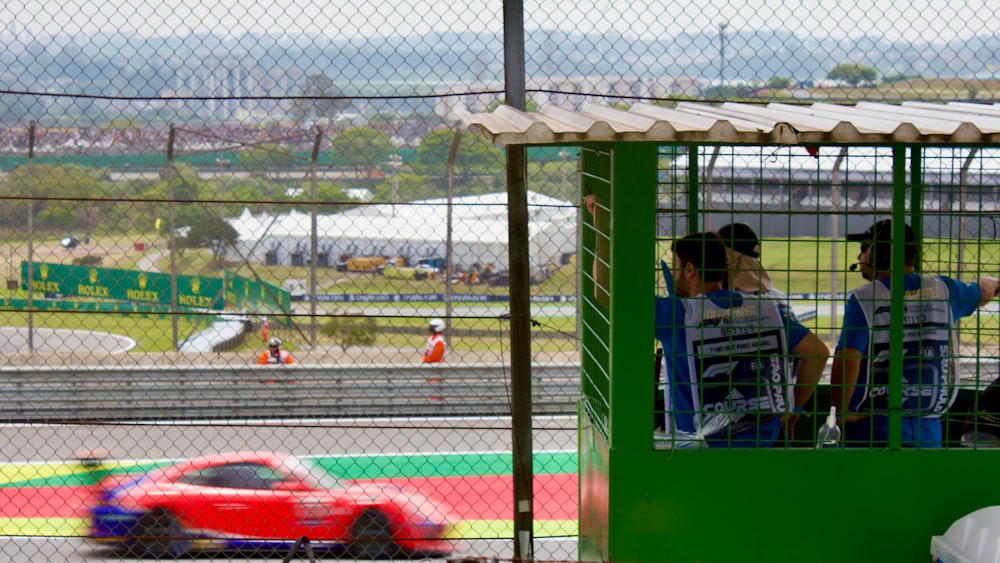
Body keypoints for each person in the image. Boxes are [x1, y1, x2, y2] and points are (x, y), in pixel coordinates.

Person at [830, 218, 1000, 448]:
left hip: (872, 431)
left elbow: (848, 357)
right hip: (927, 432)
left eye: (863, 250)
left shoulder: (865, 297)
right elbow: (986, 289)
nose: (860, 258)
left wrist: (840, 412)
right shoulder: (945, 290)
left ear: (877, 254)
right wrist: (993, 281)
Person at [654, 232, 830, 447]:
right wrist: (795, 407)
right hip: (765, 446)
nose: (672, 273)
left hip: (701, 455)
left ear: (689, 269)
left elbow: (608, 296)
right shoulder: (766, 309)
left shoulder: (676, 314)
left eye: (676, 266)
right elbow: (818, 352)